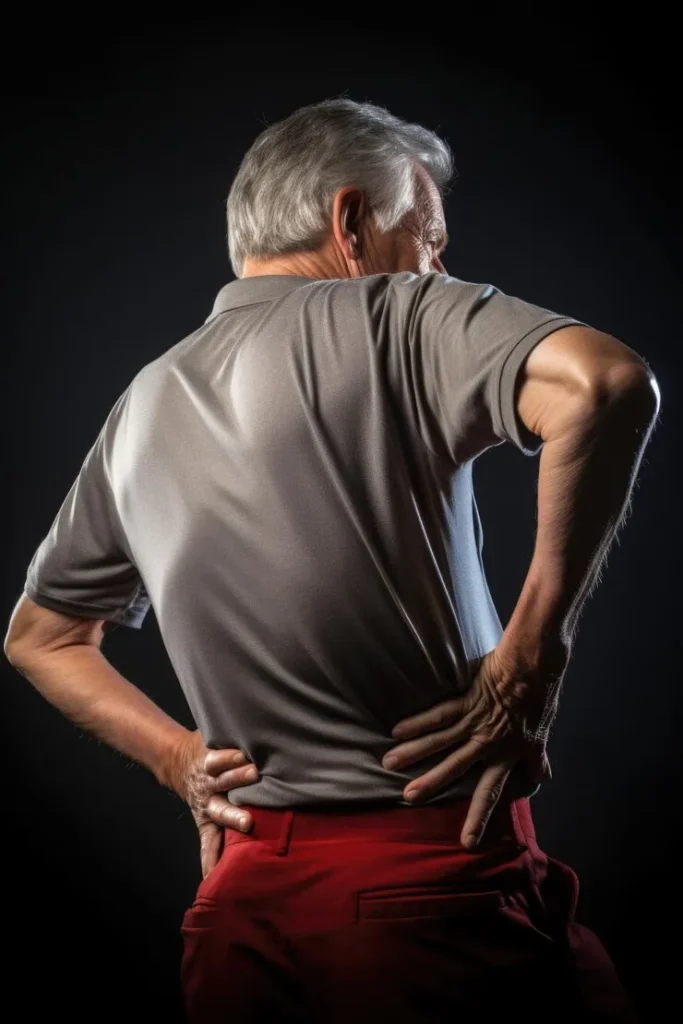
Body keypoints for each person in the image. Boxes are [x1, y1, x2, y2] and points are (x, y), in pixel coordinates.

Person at [4, 99, 658, 1023]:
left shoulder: (143, 400)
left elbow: (40, 636)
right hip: (425, 890)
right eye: (427, 239)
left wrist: (182, 762)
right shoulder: (398, 312)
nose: (439, 270)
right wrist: (530, 659)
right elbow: (605, 383)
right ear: (351, 222)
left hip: (238, 908)